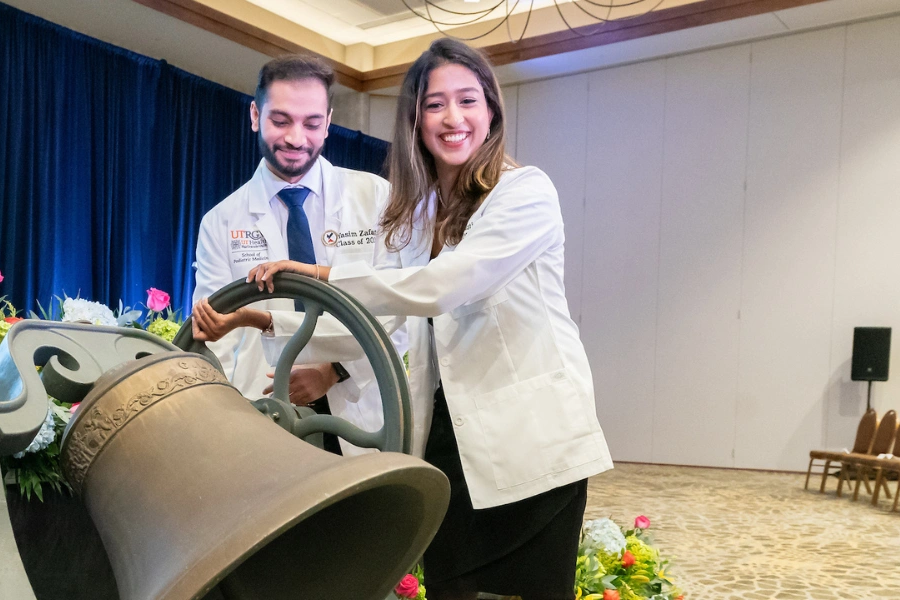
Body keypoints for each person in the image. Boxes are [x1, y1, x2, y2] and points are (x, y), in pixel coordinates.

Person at [246, 38, 613, 600]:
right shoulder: (419, 213)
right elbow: (384, 317)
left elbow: (443, 286)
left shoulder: (525, 192)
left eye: (467, 100)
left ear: (491, 110)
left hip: (531, 439)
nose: (452, 118)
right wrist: (265, 322)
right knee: (451, 586)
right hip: (450, 436)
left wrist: (322, 274)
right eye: (435, 104)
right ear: (415, 120)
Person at [188, 54, 397, 456]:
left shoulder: (375, 198)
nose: (296, 138)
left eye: (312, 124)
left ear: (328, 123)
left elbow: (396, 311)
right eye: (281, 121)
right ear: (255, 115)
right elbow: (214, 337)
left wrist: (332, 372)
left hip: (358, 412)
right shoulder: (220, 221)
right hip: (260, 415)